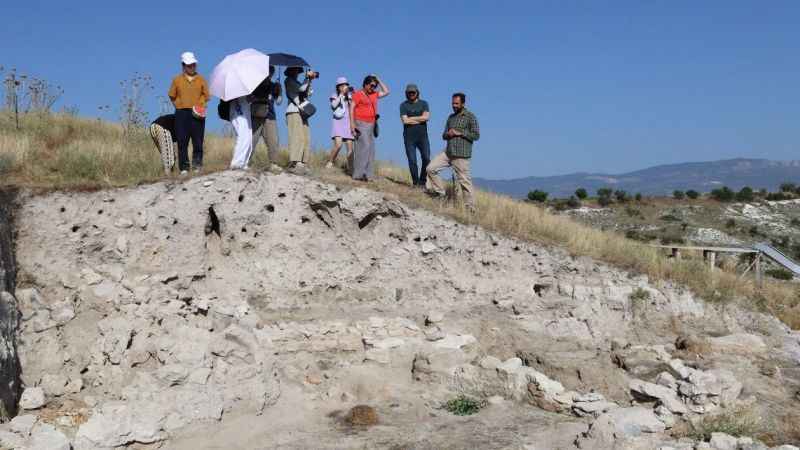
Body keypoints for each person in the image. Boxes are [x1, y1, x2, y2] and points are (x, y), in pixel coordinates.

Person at [426, 92, 480, 210]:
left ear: (463, 103)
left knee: (464, 182)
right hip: (448, 152)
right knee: (430, 168)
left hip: (461, 155)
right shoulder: (450, 117)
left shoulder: (470, 117)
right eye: (453, 103)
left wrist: (460, 133)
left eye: (456, 103)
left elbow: (476, 135)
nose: (454, 105)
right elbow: (443, 135)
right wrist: (448, 134)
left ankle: (470, 208)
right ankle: (441, 193)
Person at [168, 51, 208, 176]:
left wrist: (200, 105)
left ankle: (197, 165)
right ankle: (184, 168)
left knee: (198, 140)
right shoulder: (177, 80)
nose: (192, 67)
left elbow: (206, 95)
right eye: (189, 65)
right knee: (182, 141)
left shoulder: (201, 79)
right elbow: (172, 95)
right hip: (181, 114)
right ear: (183, 66)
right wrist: (178, 105)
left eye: (194, 65)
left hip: (197, 113)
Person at [349, 74, 390, 181]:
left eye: (375, 86)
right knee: (364, 146)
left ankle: (369, 175)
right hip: (360, 123)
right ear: (365, 84)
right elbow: (351, 108)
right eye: (371, 85)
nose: (373, 88)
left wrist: (378, 79)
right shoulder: (358, 94)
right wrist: (352, 125)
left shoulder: (375, 94)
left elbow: (386, 91)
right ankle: (358, 174)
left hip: (371, 124)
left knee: (371, 149)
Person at [284, 66, 317, 174]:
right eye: (295, 70)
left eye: (298, 70)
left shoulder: (297, 81)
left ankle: (303, 162)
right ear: (290, 71)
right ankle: (295, 161)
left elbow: (307, 93)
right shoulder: (288, 80)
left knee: (306, 137)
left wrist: (310, 80)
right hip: (293, 111)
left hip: (302, 111)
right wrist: (307, 79)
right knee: (297, 136)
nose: (297, 72)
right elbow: (301, 90)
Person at [250, 65, 283, 172]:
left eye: (271, 71)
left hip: (269, 115)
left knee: (273, 140)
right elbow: (249, 98)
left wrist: (279, 91)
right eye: (269, 71)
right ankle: (246, 161)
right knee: (252, 140)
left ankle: (273, 163)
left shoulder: (274, 85)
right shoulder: (255, 84)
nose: (270, 73)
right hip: (257, 114)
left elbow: (278, 102)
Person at [399, 83, 430, 186]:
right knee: (412, 160)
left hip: (423, 136)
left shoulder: (424, 103)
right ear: (406, 93)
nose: (411, 94)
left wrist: (411, 118)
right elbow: (405, 121)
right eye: (409, 92)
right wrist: (419, 118)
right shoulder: (403, 105)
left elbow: (426, 117)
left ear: (417, 93)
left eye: (413, 92)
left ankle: (422, 181)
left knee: (426, 158)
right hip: (409, 137)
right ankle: (416, 183)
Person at [326, 77, 354, 171]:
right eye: (343, 85)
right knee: (338, 145)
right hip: (338, 122)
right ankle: (330, 162)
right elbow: (333, 106)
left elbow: (354, 108)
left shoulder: (350, 96)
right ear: (339, 87)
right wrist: (341, 95)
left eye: (346, 85)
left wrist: (352, 94)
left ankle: (351, 169)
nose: (345, 87)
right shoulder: (335, 95)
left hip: (348, 123)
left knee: (350, 148)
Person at [229, 95, 253, 170]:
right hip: (239, 110)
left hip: (244, 110)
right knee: (243, 136)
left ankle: (243, 162)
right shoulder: (235, 90)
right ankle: (236, 162)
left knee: (248, 137)